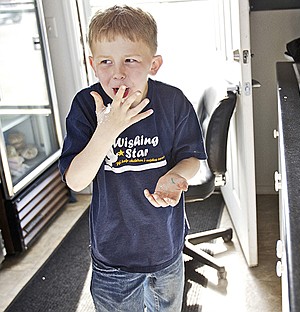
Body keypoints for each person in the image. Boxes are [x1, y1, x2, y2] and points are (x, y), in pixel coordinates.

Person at [58, 5, 206, 312]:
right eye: (106, 61)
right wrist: (107, 130)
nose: (118, 72)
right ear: (92, 64)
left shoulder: (174, 102)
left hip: (167, 248)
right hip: (114, 258)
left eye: (131, 60)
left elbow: (191, 158)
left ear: (154, 64)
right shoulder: (87, 106)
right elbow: (75, 180)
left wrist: (174, 177)